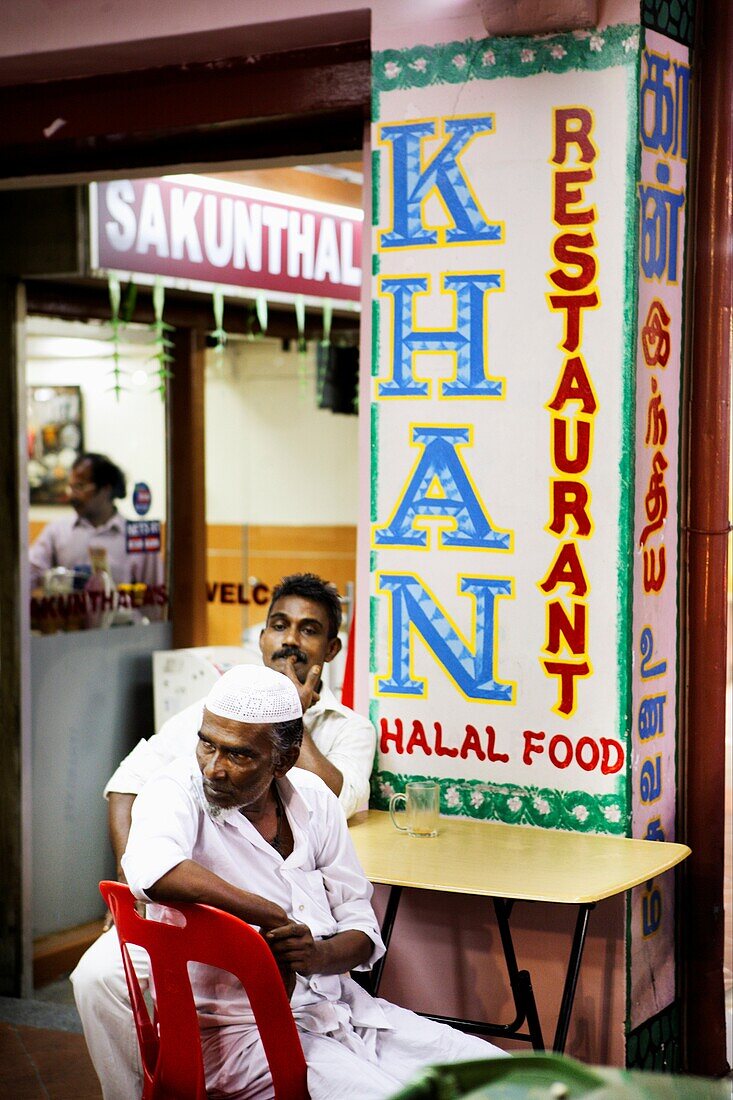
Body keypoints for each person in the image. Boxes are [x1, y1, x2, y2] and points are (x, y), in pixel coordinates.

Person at [122, 664, 506, 1099]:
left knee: (502, 1079)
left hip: (344, 1014)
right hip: (238, 1038)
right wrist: (265, 912)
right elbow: (152, 869)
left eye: (239, 754)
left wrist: (317, 954)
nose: (214, 768)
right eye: (206, 744)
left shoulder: (315, 800)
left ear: (284, 760)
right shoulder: (176, 790)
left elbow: (360, 925)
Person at [71, 573, 376, 1100]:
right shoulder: (212, 712)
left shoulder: (349, 727)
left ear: (331, 648)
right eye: (279, 625)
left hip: (288, 910)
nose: (289, 642)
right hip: (184, 905)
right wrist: (131, 880)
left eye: (308, 631)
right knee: (97, 977)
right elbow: (128, 783)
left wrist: (290, 720)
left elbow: (341, 797)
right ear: (262, 635)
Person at [29, 451, 163, 592]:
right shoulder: (57, 531)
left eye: (79, 487)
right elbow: (29, 573)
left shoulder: (137, 536)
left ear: (106, 489)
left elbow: (155, 599)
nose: (72, 495)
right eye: (71, 487)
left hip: (121, 615)